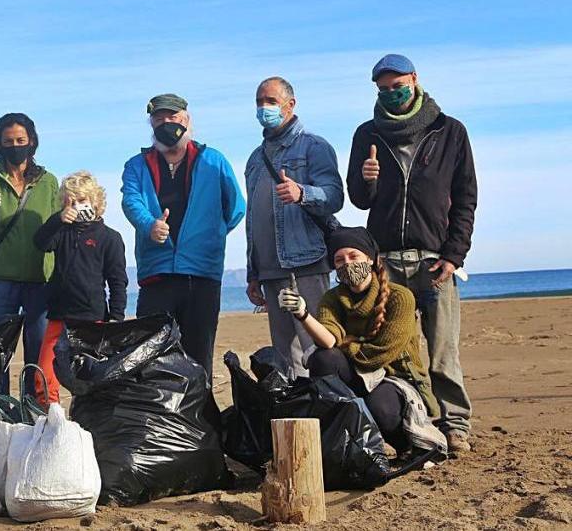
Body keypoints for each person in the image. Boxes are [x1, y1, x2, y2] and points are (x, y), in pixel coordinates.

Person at [346, 54, 477, 454]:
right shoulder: (367, 133)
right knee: (390, 349)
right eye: (383, 88)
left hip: (433, 261)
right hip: (384, 261)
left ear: (415, 80)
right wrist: (367, 181)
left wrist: (454, 256)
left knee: (442, 350)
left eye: (397, 85)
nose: (391, 93)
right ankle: (402, 425)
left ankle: (455, 425)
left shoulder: (449, 131)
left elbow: (466, 199)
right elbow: (357, 197)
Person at [279, 226, 439, 455]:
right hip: (355, 373)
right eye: (339, 259)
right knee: (322, 358)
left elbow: (377, 355)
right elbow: (328, 340)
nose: (347, 263)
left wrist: (344, 342)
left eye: (353, 256)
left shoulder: (400, 297)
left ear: (371, 259)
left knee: (380, 408)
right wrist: (302, 313)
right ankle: (341, 439)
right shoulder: (332, 298)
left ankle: (405, 444)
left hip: (393, 377)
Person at [121, 93, 245, 382]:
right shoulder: (137, 165)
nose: (166, 122)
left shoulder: (213, 160)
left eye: (173, 117)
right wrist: (149, 225)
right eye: (159, 118)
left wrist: (208, 236)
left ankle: (201, 424)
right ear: (151, 122)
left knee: (199, 358)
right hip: (157, 275)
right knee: (151, 359)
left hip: (202, 275)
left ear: (186, 120)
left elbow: (236, 207)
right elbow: (131, 201)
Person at [244, 77, 344, 378]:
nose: (265, 108)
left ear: (291, 104)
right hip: (271, 269)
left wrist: (303, 193)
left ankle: (331, 413)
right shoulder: (255, 158)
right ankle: (299, 415)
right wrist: (253, 272)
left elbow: (335, 195)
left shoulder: (313, 146)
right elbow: (252, 218)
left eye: (271, 101)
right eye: (260, 102)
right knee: (287, 356)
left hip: (306, 263)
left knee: (318, 347)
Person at [0, 113, 61, 395]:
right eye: (8, 141)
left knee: (39, 355)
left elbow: (59, 229)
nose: (15, 145)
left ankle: (34, 412)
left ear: (31, 141)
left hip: (41, 279)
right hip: (2, 280)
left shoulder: (49, 181)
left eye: (21, 140)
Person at [32, 171, 128, 407]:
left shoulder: (110, 238)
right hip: (59, 317)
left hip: (93, 320)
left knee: (90, 376)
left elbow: (117, 280)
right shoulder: (61, 232)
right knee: (44, 375)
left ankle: (89, 421)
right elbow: (40, 242)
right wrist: (58, 219)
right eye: (71, 202)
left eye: (82, 200)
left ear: (95, 202)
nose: (77, 206)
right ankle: (49, 419)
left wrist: (116, 317)